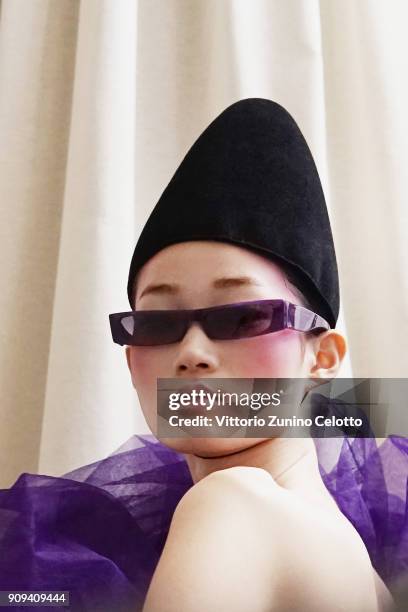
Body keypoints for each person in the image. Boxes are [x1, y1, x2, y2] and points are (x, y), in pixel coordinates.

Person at [0, 99, 405, 611]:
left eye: (241, 316)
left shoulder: (232, 507)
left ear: (323, 358)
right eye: (156, 324)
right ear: (130, 361)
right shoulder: (359, 567)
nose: (191, 352)